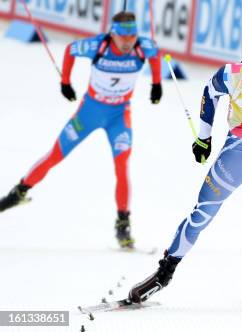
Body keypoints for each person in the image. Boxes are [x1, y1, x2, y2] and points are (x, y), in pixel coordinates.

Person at [127, 33, 242, 307]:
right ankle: (163, 273)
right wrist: (204, 137)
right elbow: (209, 93)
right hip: (238, 150)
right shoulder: (233, 76)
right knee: (202, 213)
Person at [0, 12, 162, 249]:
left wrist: (156, 84)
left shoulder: (143, 47)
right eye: (123, 37)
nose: (128, 42)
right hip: (89, 114)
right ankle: (19, 191)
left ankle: (122, 225)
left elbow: (155, 55)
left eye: (132, 36)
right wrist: (65, 82)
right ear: (113, 34)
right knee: (55, 155)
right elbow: (70, 50)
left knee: (122, 165)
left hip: (119, 116)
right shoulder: (98, 44)